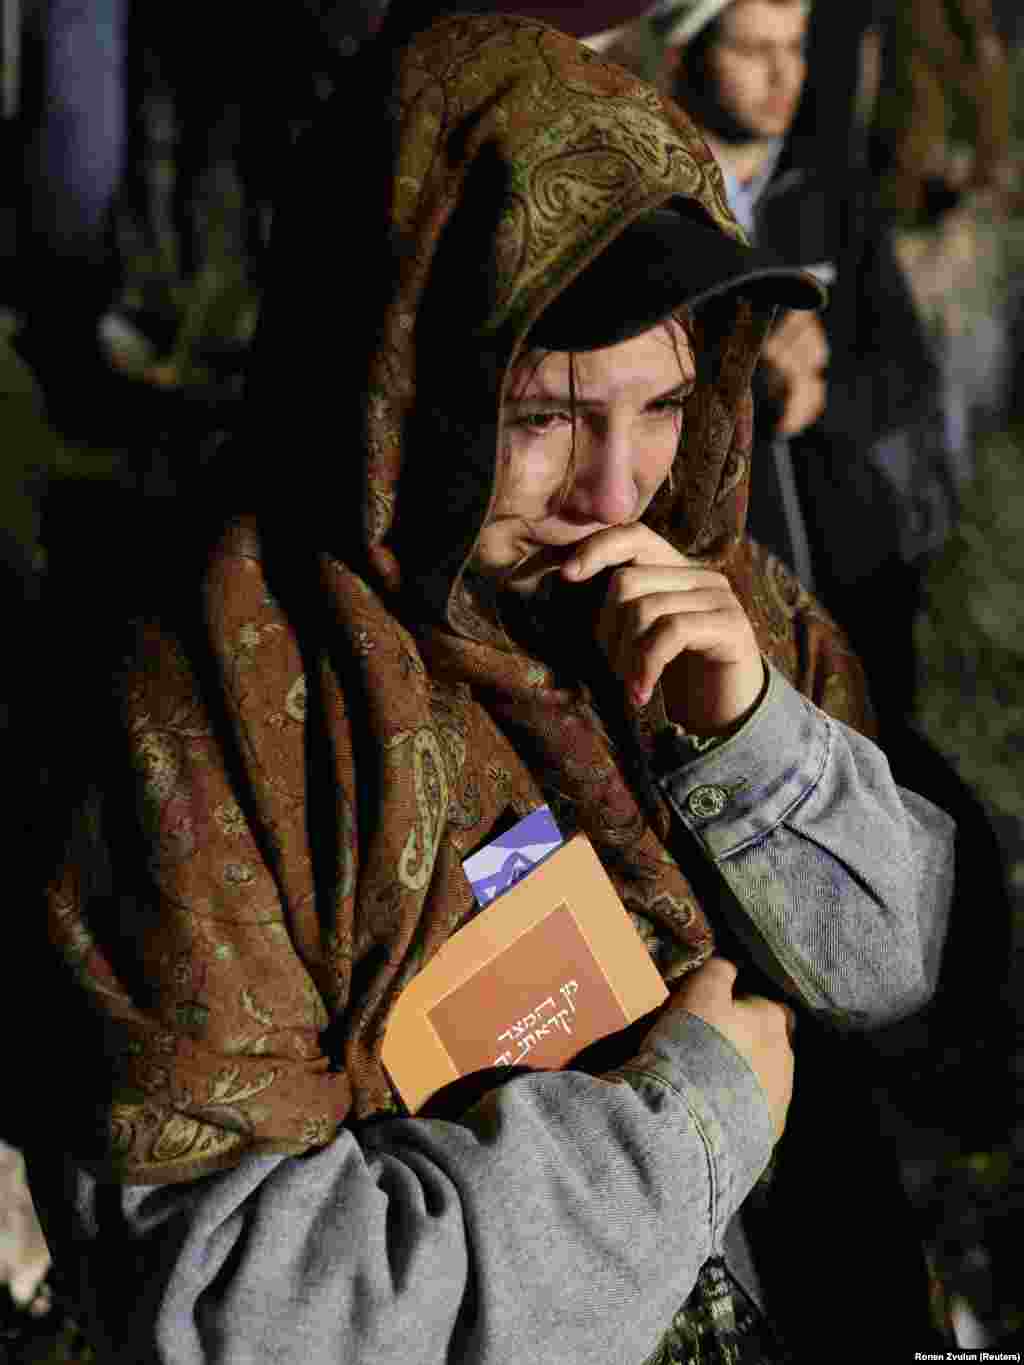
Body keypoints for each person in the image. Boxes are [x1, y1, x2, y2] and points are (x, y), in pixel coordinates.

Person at [26, 11, 957, 1362]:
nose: (618, 490)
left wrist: (757, 742)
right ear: (397, 375)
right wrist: (674, 1140)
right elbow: (220, 1305)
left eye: (663, 404)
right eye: (541, 420)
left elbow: (904, 972)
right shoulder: (218, 716)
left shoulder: (706, 588)